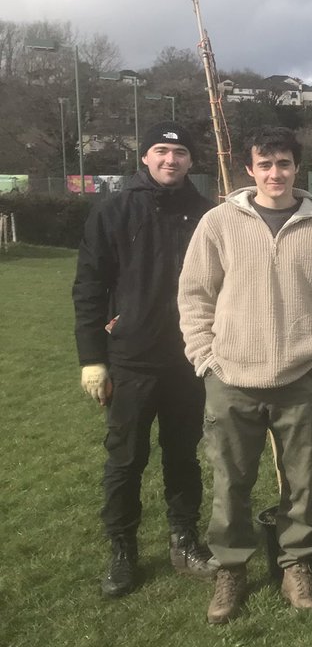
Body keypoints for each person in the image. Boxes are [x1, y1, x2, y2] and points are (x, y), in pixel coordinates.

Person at [178, 126, 312, 624]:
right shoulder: (218, 223)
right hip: (231, 377)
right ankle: (231, 569)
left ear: (297, 169)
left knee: (301, 482)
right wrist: (205, 356)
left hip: (301, 378)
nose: (274, 173)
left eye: (284, 164)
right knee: (230, 481)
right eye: (265, 164)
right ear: (249, 170)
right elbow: (195, 294)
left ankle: (296, 565)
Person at [72, 122, 217, 598]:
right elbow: (90, 287)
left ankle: (184, 538)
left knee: (183, 456)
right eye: (161, 151)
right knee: (125, 460)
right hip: (130, 360)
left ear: (191, 161)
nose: (170, 160)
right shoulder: (114, 210)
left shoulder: (205, 213)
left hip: (189, 359)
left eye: (179, 152)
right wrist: (92, 357)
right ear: (146, 158)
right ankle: (122, 549)